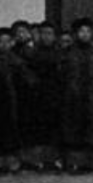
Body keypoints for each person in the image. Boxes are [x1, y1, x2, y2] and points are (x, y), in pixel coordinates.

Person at [60, 18, 93, 173]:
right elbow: (61, 75)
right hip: (72, 98)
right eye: (81, 31)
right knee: (72, 130)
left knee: (92, 130)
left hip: (92, 97)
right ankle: (73, 162)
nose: (84, 34)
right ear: (76, 33)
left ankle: (92, 163)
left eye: (88, 31)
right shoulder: (67, 53)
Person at [20, 20, 62, 171]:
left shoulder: (60, 53)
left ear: (54, 36)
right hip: (36, 97)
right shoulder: (31, 53)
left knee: (52, 130)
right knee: (37, 131)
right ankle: (35, 160)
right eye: (43, 33)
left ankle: (50, 161)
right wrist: (34, 84)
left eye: (49, 33)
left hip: (55, 97)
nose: (46, 36)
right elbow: (26, 72)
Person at [0, 28, 28, 174]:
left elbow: (26, 82)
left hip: (13, 103)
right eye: (1, 41)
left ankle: (12, 163)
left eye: (7, 41)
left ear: (12, 43)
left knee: (12, 134)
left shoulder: (17, 61)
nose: (4, 45)